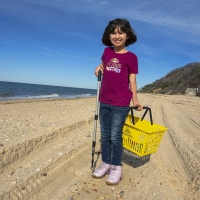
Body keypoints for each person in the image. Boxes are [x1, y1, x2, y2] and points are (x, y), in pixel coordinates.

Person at [92, 18, 142, 185]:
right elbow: (102, 65)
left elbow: (132, 80)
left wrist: (135, 99)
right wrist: (99, 68)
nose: (117, 35)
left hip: (121, 102)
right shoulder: (106, 52)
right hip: (104, 100)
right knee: (105, 135)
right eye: (113, 32)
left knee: (115, 135)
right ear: (109, 35)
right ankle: (106, 162)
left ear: (128, 35)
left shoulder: (132, 57)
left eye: (121, 32)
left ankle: (116, 167)